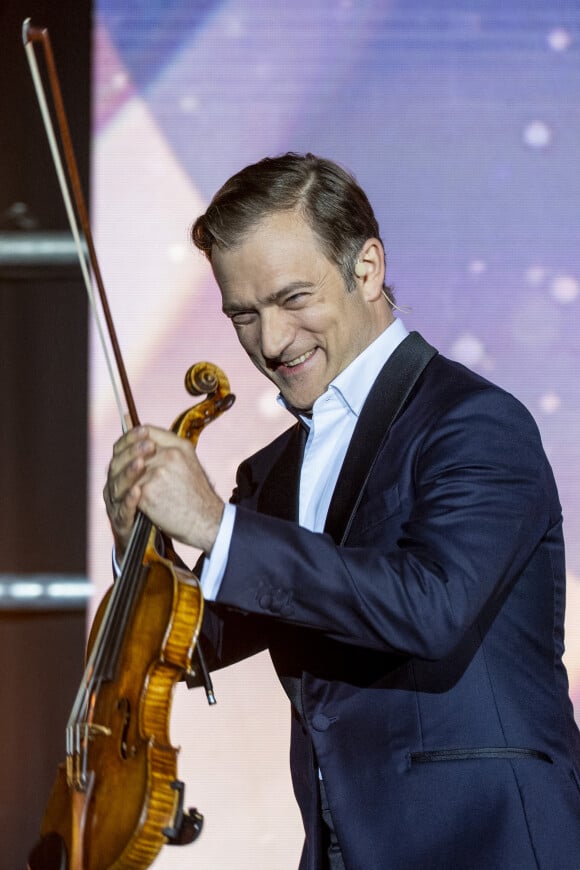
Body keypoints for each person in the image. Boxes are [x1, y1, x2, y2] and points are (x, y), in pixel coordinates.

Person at [104, 153, 580, 870]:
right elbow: (197, 644)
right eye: (244, 314)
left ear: (367, 268)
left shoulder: (476, 422)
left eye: (294, 298)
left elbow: (431, 605)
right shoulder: (273, 473)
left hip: (488, 843)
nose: (270, 342)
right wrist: (141, 538)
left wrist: (214, 528)